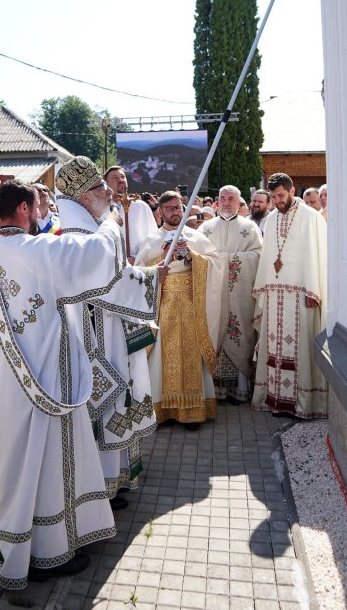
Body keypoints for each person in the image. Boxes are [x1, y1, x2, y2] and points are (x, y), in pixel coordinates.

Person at [0, 180, 138, 589]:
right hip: (47, 382)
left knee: (19, 465)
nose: (44, 209)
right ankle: (48, 553)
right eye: (40, 203)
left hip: (5, 387)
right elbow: (98, 255)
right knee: (47, 464)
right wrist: (111, 222)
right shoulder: (39, 252)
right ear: (24, 210)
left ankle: (20, 546)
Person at [56, 157, 165, 506]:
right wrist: (150, 278)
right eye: (100, 187)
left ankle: (116, 479)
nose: (108, 191)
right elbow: (112, 285)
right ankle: (102, 488)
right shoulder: (86, 236)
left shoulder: (92, 229)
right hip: (95, 336)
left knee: (117, 399)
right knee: (105, 400)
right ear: (85, 198)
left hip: (108, 329)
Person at [135, 191, 222, 427]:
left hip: (192, 305)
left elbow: (215, 264)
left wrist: (193, 258)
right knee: (162, 356)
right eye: (169, 208)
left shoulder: (195, 237)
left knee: (191, 352)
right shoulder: (151, 240)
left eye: (178, 207)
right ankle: (163, 409)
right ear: (160, 212)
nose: (175, 212)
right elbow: (137, 273)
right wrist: (161, 259)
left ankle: (193, 410)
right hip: (162, 307)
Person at [252, 173, 328, 419]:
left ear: (292, 190)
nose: (277, 201)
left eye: (281, 196)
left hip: (301, 295)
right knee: (275, 349)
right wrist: (263, 288)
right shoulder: (271, 218)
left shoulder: (311, 217)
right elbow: (268, 256)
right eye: (273, 197)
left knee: (300, 351)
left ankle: (302, 404)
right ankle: (278, 401)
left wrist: (313, 289)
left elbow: (318, 254)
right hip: (275, 296)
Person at [200, 185, 262, 404]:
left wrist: (224, 259)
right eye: (223, 198)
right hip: (213, 293)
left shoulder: (250, 228)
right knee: (213, 330)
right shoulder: (205, 228)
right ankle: (214, 390)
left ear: (239, 202)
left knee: (239, 333)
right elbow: (198, 257)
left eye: (231, 199)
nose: (226, 203)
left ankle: (239, 390)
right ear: (217, 201)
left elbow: (257, 255)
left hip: (240, 294)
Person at [104, 166, 157, 262]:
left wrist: (136, 258)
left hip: (139, 266)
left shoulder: (141, 207)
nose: (120, 179)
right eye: (115, 178)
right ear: (106, 185)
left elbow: (153, 241)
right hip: (112, 267)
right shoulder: (103, 209)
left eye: (122, 177)